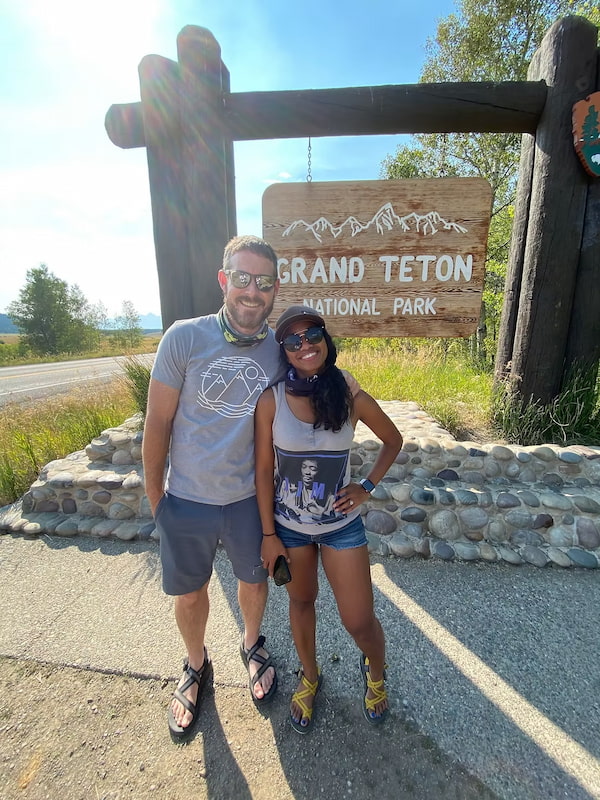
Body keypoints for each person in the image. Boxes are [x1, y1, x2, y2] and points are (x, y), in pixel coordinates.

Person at [142, 234, 285, 741]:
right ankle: (196, 664)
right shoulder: (184, 338)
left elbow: (316, 386)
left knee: (255, 582)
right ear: (224, 280)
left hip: (249, 500)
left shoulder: (280, 350)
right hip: (187, 499)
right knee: (190, 594)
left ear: (275, 289)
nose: (253, 291)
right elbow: (157, 423)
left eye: (264, 282)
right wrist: (158, 502)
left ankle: (252, 645)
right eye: (242, 278)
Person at [254, 305, 404, 733]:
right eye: (293, 340)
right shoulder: (271, 400)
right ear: (284, 350)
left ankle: (375, 671)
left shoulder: (349, 394)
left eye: (313, 335)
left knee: (358, 620)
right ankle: (310, 676)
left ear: (326, 339)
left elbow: (393, 439)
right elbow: (262, 471)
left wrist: (366, 486)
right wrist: (268, 534)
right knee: (301, 602)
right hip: (289, 529)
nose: (304, 345)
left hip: (341, 528)